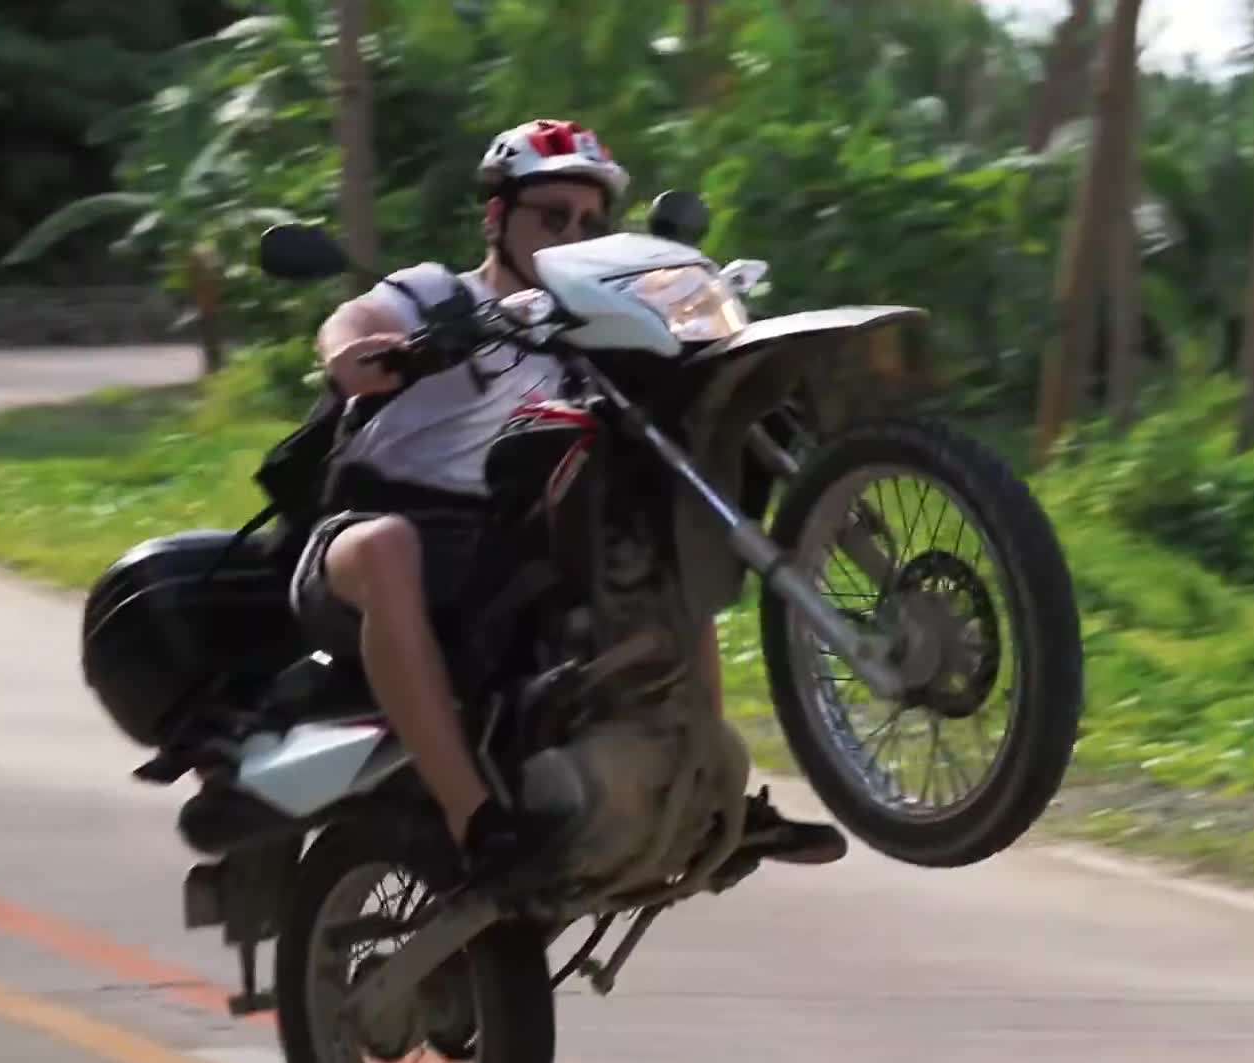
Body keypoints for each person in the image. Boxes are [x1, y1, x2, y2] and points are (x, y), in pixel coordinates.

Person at [290, 118, 843, 871]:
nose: (569, 236)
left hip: (502, 556)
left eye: (588, 224)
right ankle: (472, 817)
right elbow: (352, 322)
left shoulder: (590, 335)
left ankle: (708, 789)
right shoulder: (439, 297)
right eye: (551, 217)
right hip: (369, 535)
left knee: (660, 525)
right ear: (496, 218)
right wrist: (355, 353)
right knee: (392, 546)